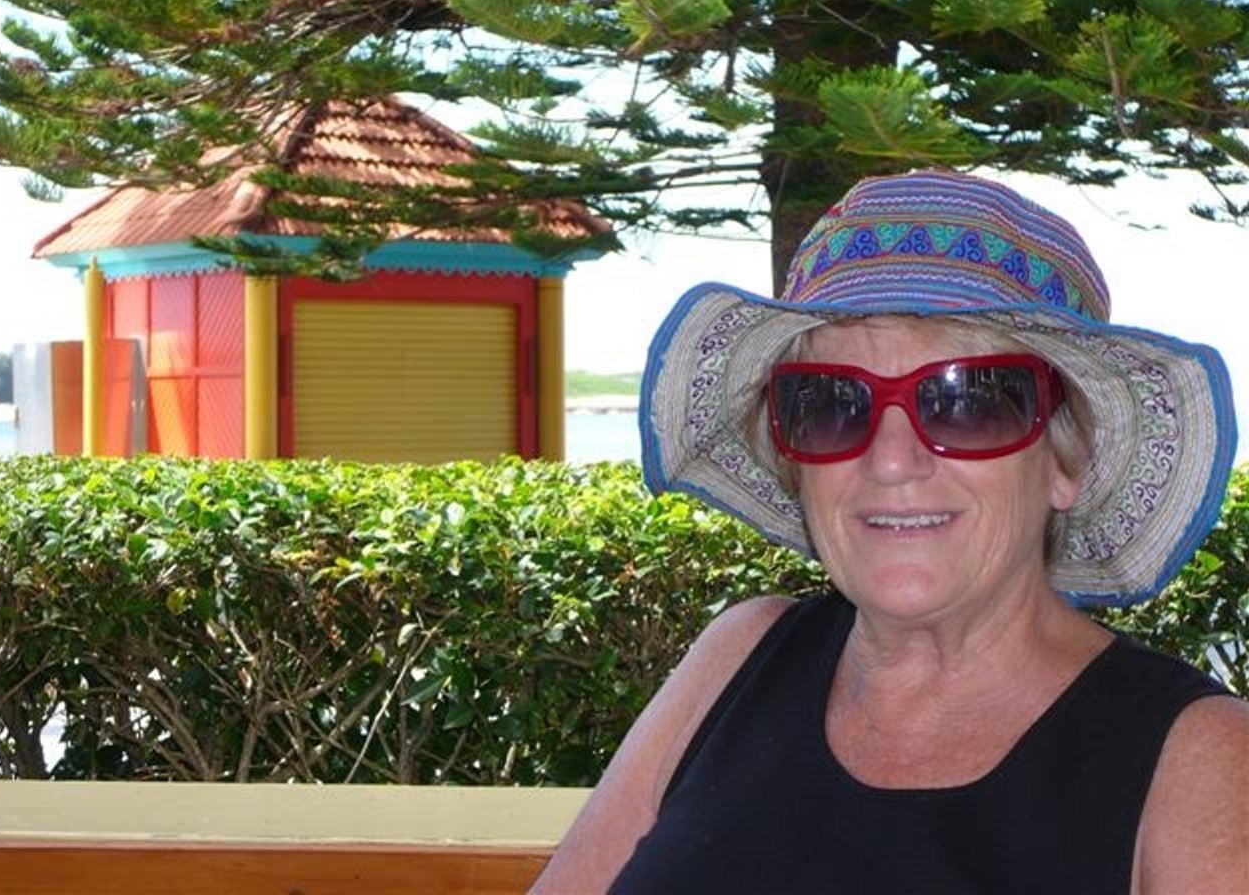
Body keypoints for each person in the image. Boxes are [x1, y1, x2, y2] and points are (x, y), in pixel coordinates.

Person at [532, 170, 1248, 894]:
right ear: (794, 460)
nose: (891, 460)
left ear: (1068, 460)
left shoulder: (1198, 757)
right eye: (830, 404)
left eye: (969, 401)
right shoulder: (736, 660)